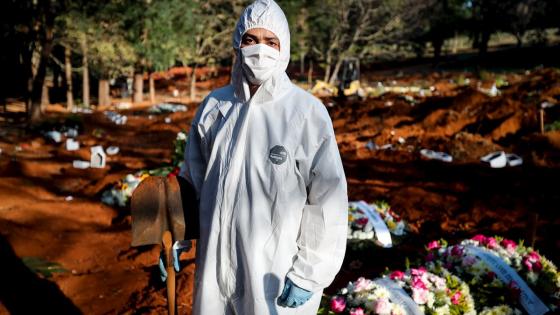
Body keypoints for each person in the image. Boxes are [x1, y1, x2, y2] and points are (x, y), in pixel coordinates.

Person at [167, 0, 348, 313]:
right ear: (238, 44)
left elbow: (327, 197)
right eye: (250, 40)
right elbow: (191, 180)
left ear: (284, 48)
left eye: (270, 42)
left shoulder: (304, 112)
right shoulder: (215, 107)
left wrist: (309, 273)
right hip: (215, 266)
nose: (259, 50)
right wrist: (177, 238)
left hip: (273, 269)